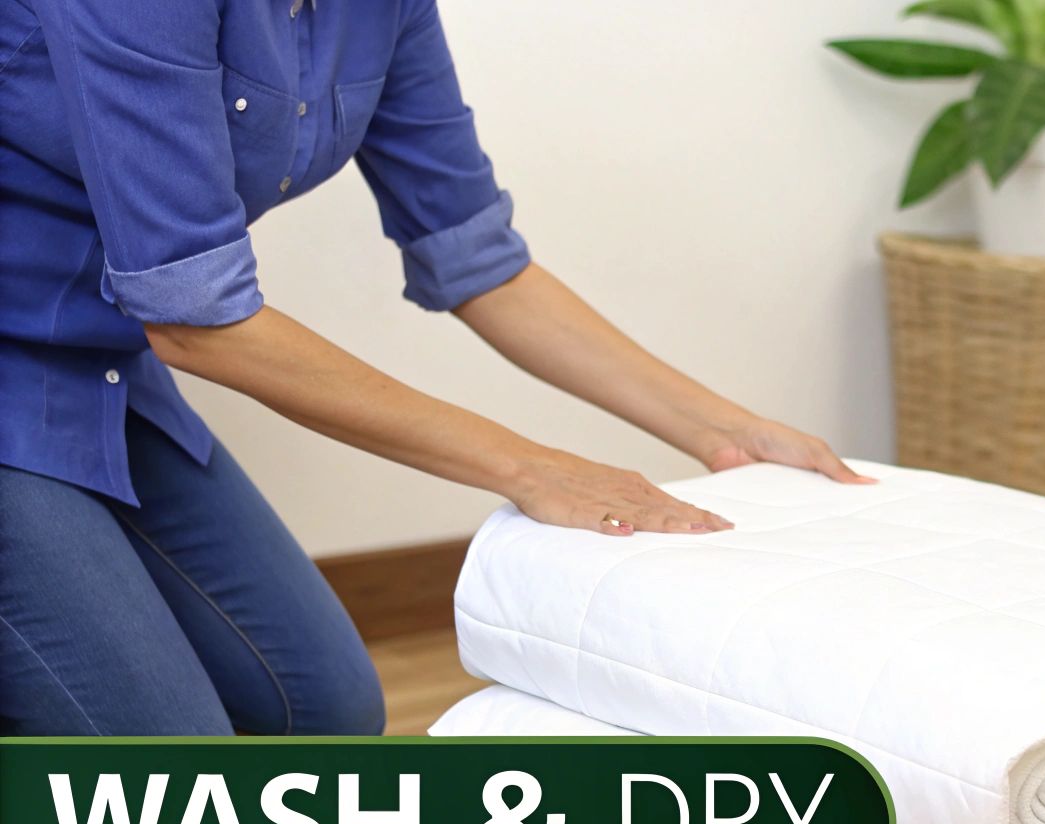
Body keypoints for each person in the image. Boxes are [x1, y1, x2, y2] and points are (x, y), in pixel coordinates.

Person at [0, 0, 871, 737]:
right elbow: (196, 322)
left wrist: (726, 432)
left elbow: (477, 258)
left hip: (94, 372)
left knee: (321, 716)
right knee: (161, 791)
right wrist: (533, 467)